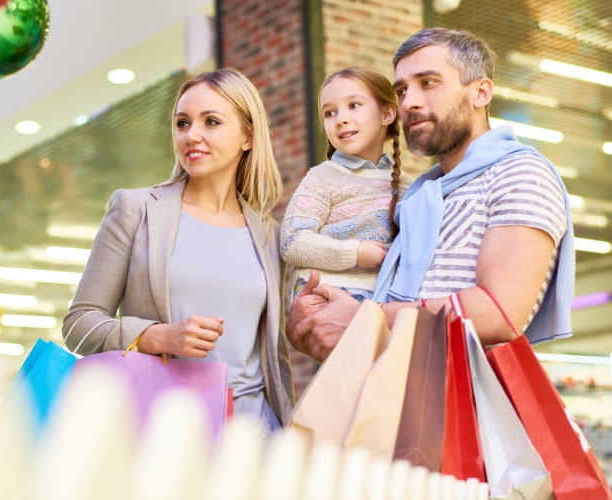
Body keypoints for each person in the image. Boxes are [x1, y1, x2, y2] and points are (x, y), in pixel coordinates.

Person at [287, 27, 574, 361]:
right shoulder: (417, 197)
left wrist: (365, 319)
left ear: (480, 92)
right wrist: (308, 317)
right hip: (394, 393)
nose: (409, 102)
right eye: (402, 89)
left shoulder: (519, 174)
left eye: (428, 82)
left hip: (463, 402)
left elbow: (499, 312)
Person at [62, 68, 295, 437]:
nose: (192, 135)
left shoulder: (270, 236)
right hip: (167, 436)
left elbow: (271, 353)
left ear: (248, 136)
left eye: (211, 121)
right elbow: (79, 323)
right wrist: (156, 336)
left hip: (254, 440)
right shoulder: (136, 210)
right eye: (182, 123)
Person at [281, 67, 413, 303]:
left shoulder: (406, 187)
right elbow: (292, 242)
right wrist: (354, 253)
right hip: (323, 299)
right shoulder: (322, 178)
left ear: (387, 114)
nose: (340, 119)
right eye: (329, 113)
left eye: (353, 105)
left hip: (380, 306)